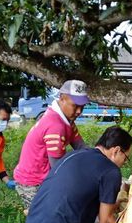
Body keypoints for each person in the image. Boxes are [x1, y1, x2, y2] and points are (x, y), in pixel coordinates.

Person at [13, 80, 88, 214]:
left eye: (82, 107)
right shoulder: (55, 126)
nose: (79, 111)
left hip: (44, 176)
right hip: (33, 182)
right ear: (62, 98)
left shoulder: (67, 120)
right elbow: (58, 168)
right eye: (75, 106)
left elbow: (81, 147)